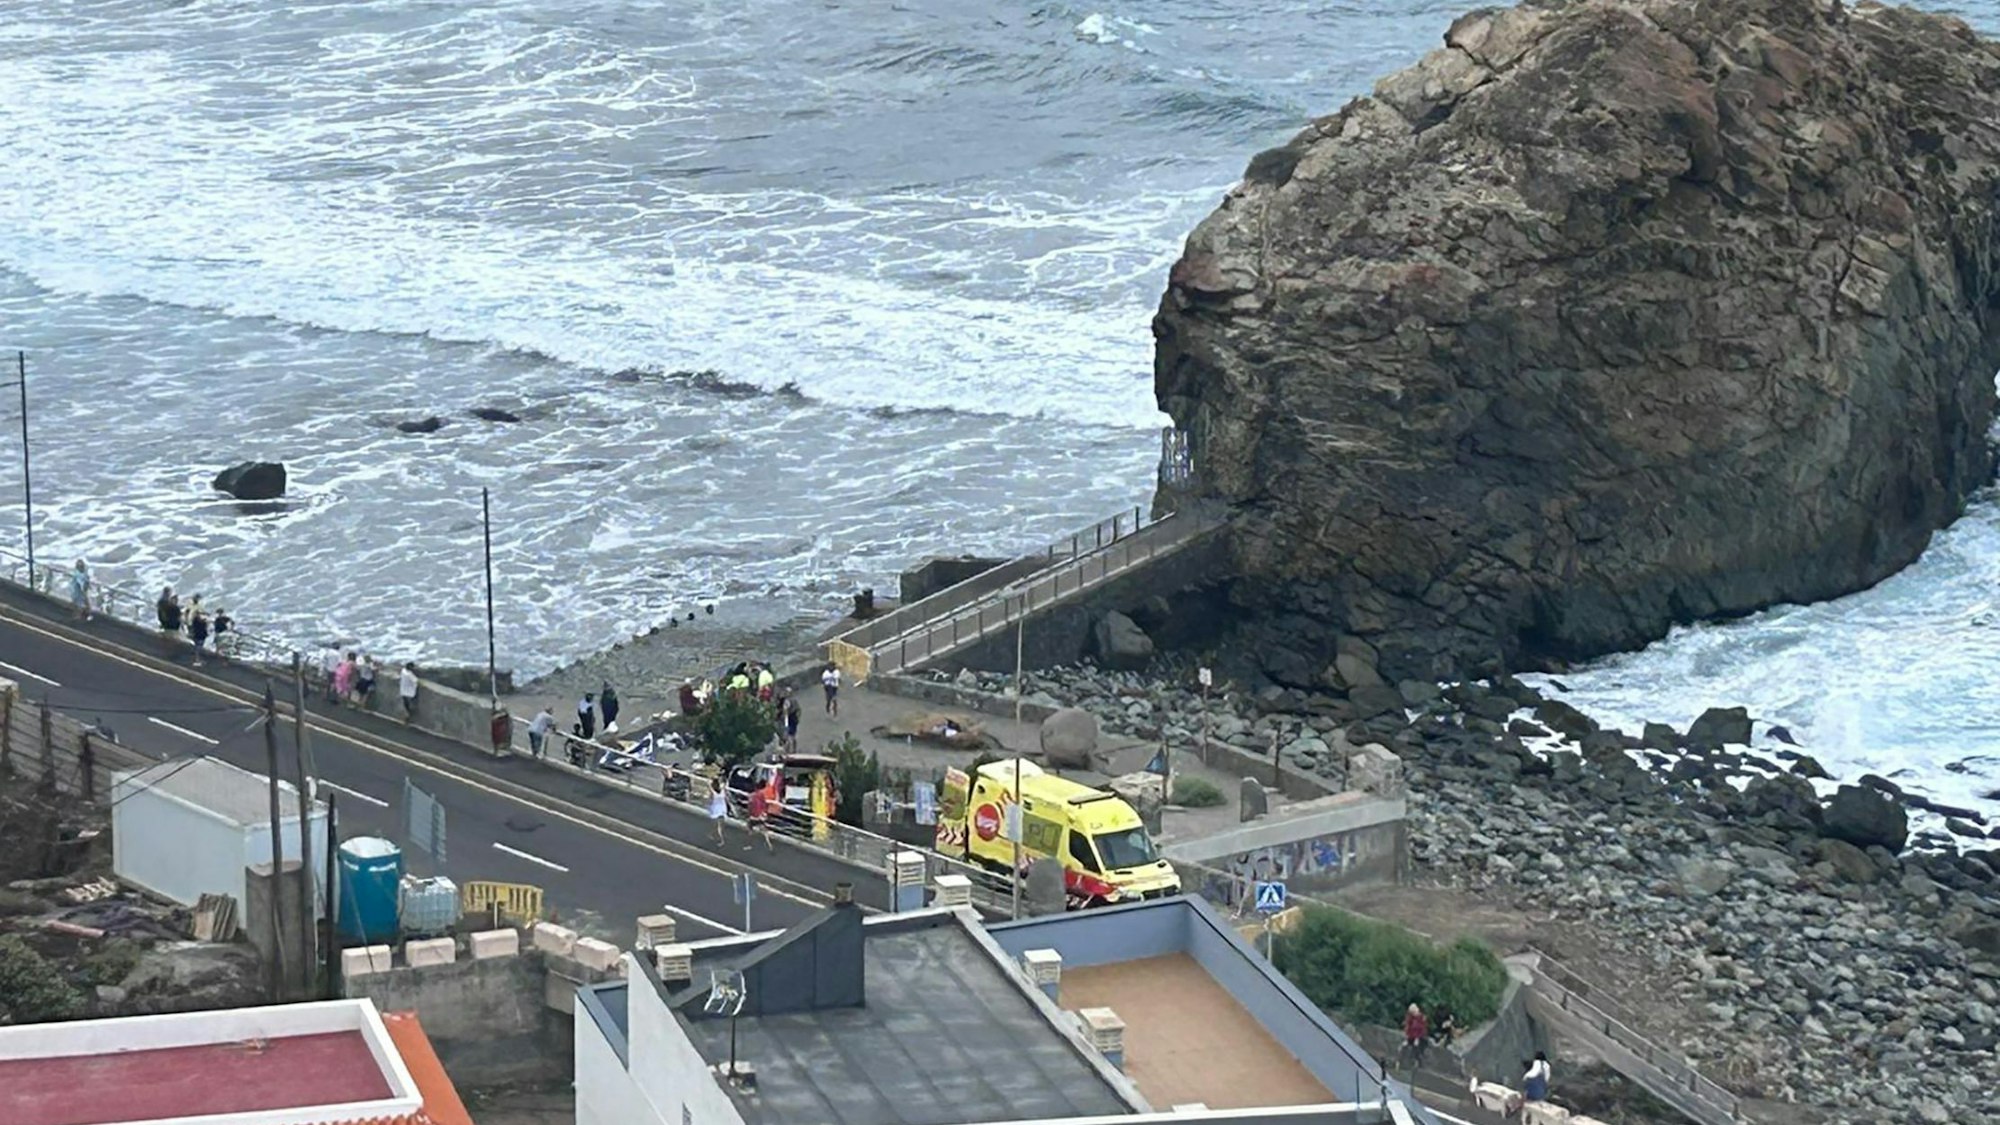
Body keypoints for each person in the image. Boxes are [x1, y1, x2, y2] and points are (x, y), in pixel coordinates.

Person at [745, 782, 775, 852]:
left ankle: (749, 845)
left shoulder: (752, 796)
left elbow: (750, 807)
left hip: (753, 816)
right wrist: (764, 813)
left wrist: (749, 814)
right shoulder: (761, 795)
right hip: (761, 816)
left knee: (749, 830)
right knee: (764, 831)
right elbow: (764, 805)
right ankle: (769, 845)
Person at [155, 588, 182, 655]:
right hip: (171, 625)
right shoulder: (175, 608)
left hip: (167, 624)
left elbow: (161, 614)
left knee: (167, 638)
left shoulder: (162, 603)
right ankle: (169, 652)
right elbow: (178, 618)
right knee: (172, 639)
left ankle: (166, 651)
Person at [187, 600, 211, 666]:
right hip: (199, 635)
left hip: (197, 635)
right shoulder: (197, 620)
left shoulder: (194, 619)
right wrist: (205, 622)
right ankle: (197, 660)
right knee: (199, 648)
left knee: (197, 647)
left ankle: (197, 659)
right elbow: (202, 625)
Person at [706, 776, 728, 846]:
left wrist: (709, 783)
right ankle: (712, 834)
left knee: (716, 825)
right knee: (719, 824)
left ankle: (721, 840)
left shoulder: (713, 793)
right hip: (723, 808)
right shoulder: (722, 791)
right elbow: (724, 786)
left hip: (715, 809)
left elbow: (710, 788)